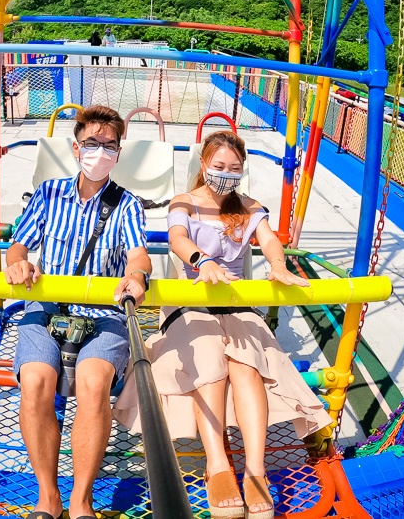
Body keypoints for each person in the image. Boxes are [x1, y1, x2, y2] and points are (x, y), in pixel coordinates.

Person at [115, 131, 332, 519]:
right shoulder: (187, 202)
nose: (226, 175)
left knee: (247, 365)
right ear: (204, 165)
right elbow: (177, 237)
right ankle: (217, 465)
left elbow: (268, 240)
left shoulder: (247, 206)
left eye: (234, 169)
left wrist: (278, 265)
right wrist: (202, 260)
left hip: (234, 302)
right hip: (193, 299)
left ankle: (254, 470)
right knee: (210, 362)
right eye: (219, 167)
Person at [5, 105, 151, 519]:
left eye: (109, 146)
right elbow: (19, 244)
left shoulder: (126, 205)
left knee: (93, 383)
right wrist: (18, 262)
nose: (100, 152)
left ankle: (80, 499)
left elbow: (138, 254)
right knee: (35, 381)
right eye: (92, 144)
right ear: (76, 147)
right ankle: (48, 496)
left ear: (118, 154)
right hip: (49, 307)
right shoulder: (49, 193)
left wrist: (137, 277)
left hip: (102, 314)